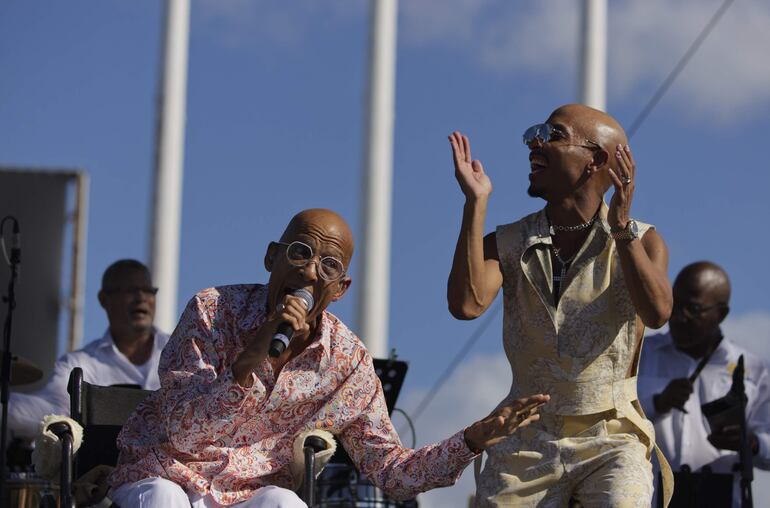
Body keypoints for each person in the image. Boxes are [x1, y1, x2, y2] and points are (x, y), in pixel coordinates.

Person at [108, 208, 549, 508]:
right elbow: (184, 434)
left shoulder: (347, 363)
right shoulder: (211, 310)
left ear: (340, 289)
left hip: (248, 496)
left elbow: (391, 471)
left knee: (283, 503)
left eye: (329, 265)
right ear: (271, 256)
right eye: (299, 252)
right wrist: (255, 352)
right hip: (167, 475)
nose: (309, 271)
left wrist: (471, 439)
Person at [447, 104, 673, 506]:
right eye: (535, 132)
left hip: (611, 435)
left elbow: (657, 313)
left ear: (597, 160)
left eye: (552, 134)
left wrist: (620, 231)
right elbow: (467, 305)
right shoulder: (508, 242)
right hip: (525, 436)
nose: (534, 141)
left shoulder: (642, 240)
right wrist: (475, 203)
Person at [638, 261, 770, 506]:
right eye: (675, 305)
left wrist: (749, 442)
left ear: (721, 314)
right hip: (656, 496)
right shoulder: (641, 356)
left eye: (693, 308)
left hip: (723, 496)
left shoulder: (753, 370)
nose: (679, 317)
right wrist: (657, 401)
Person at [8, 259, 170, 438]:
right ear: (103, 299)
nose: (142, 298)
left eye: (148, 291)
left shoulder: (185, 353)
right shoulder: (79, 364)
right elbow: (53, 412)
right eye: (131, 290)